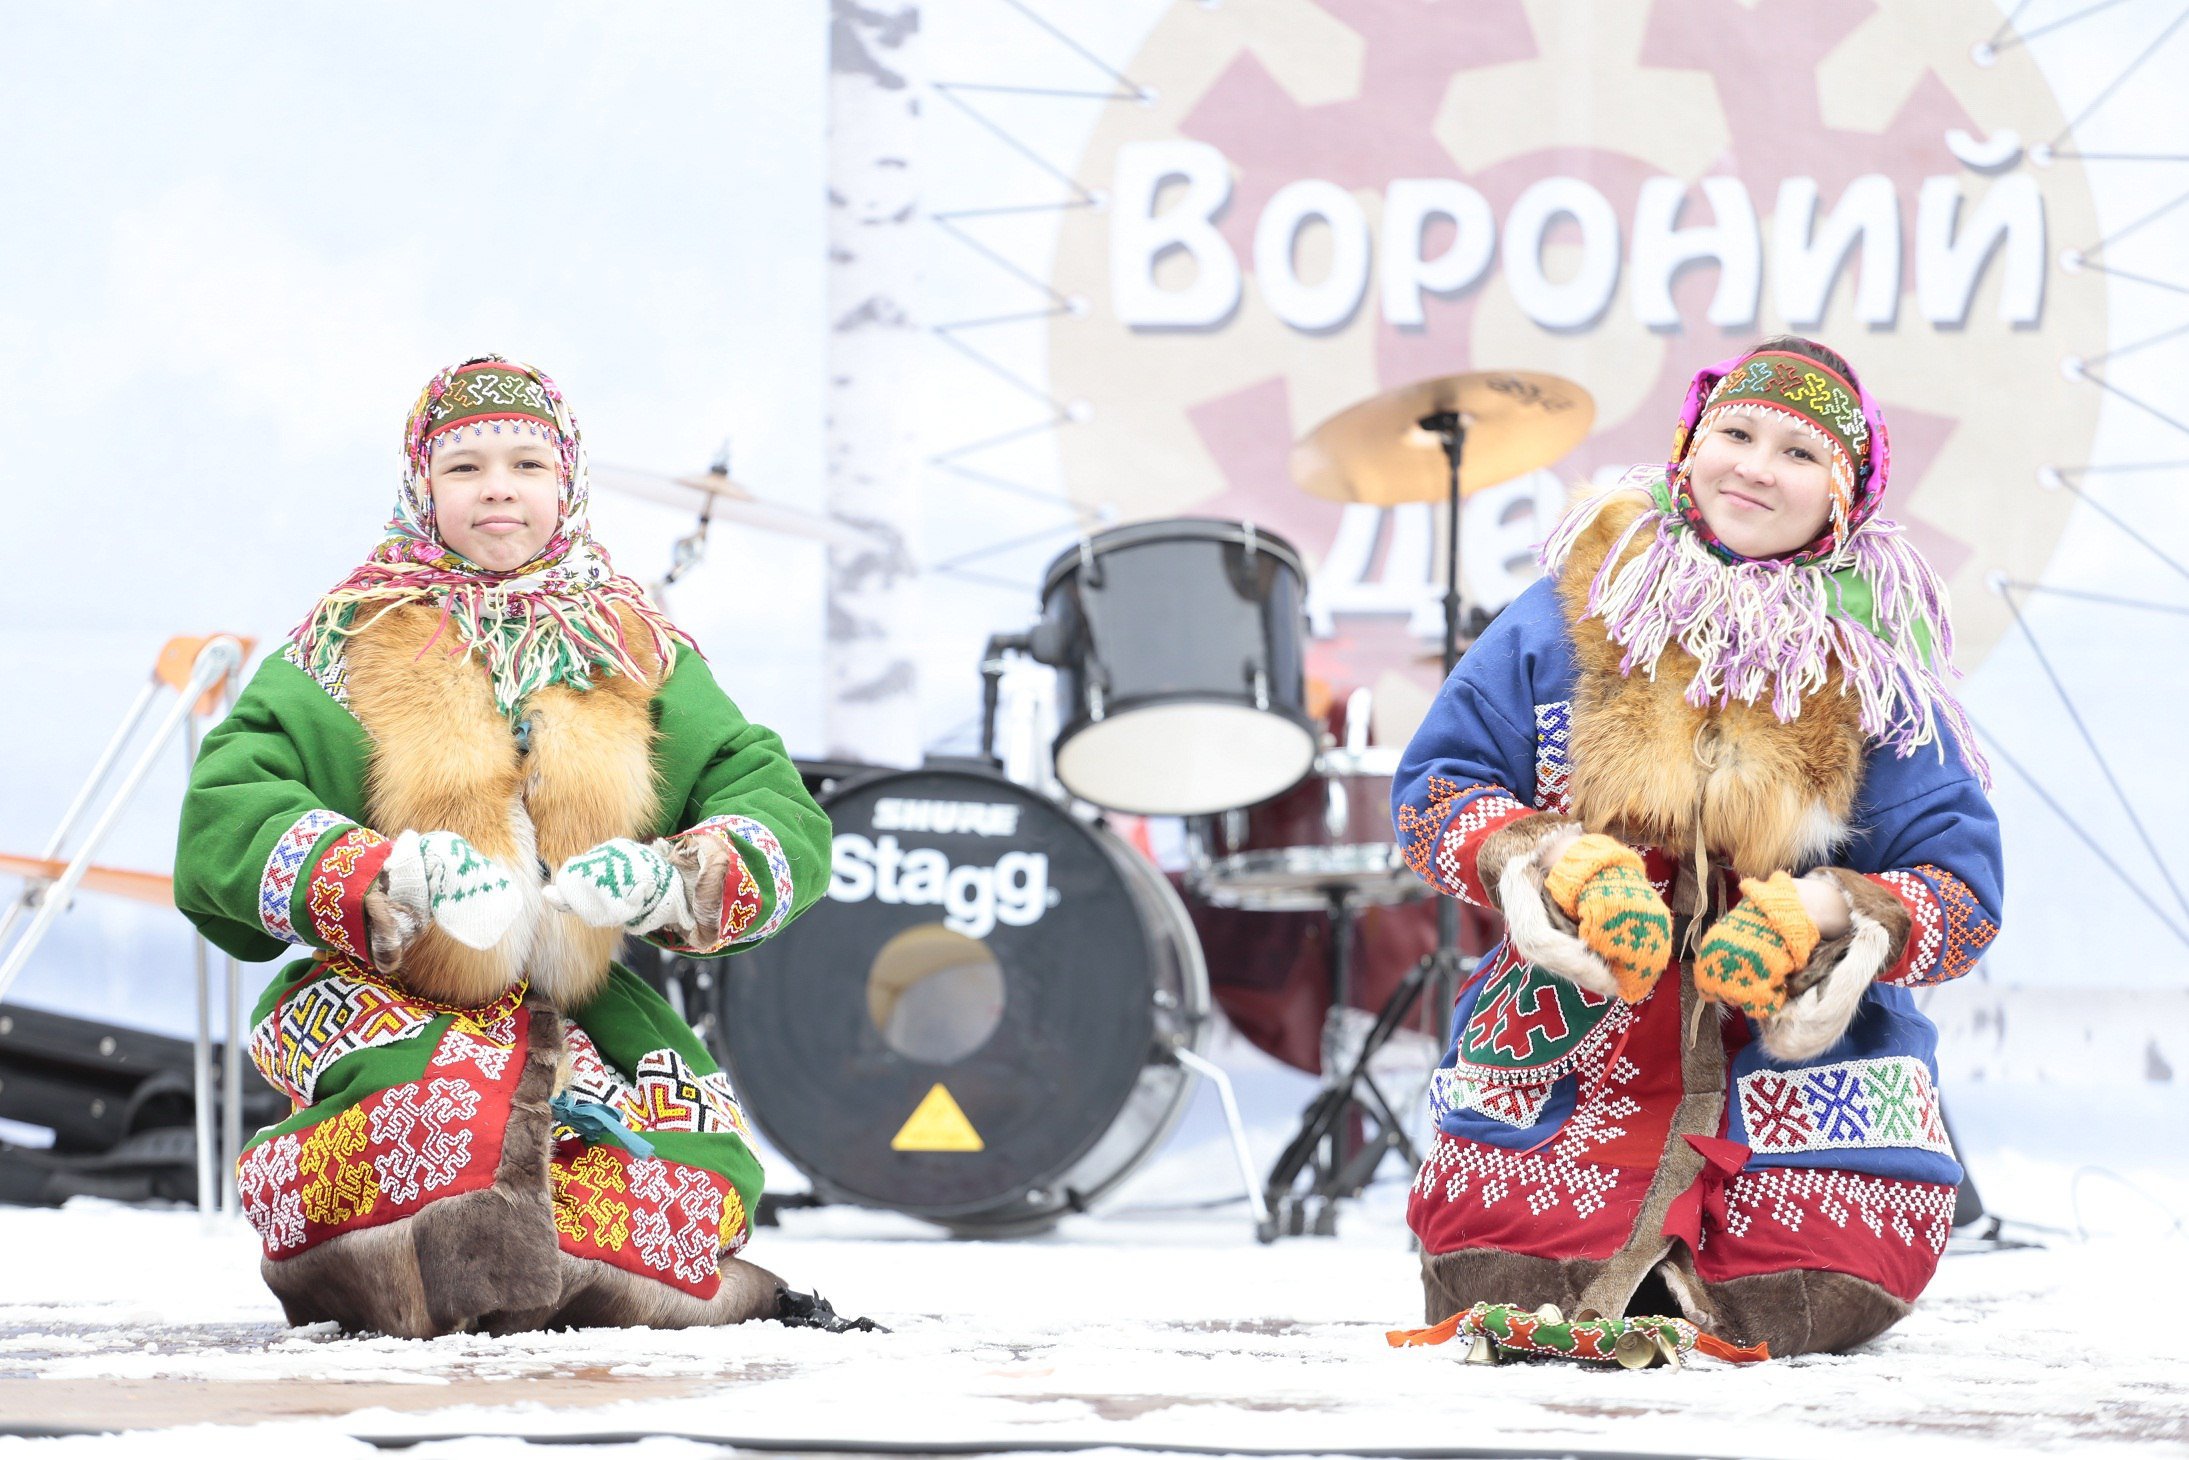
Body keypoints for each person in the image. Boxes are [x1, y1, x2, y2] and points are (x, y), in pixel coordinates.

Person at [175, 356, 848, 1338]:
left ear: (565, 485)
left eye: (528, 462)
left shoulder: (635, 648)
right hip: (387, 991)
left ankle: (554, 1280)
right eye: (466, 466)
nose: (499, 485)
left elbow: (770, 799)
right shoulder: (347, 639)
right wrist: (382, 873)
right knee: (439, 1126)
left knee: (686, 1180)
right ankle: (420, 1266)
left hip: (584, 1013)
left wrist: (675, 876)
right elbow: (227, 806)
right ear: (421, 486)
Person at [1391, 337, 2002, 1357]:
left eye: (1798, 453)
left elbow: (1959, 886)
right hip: (1573, 1051)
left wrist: (1822, 913)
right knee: (1497, 1269)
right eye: (1735, 432)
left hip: (1788, 1067)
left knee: (1812, 1285)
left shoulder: (1876, 673)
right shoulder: (1566, 610)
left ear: (1845, 495)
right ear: (1686, 447)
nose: (1756, 466)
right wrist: (1542, 859)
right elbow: (1434, 788)